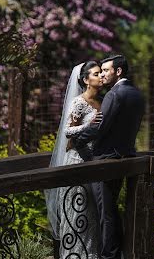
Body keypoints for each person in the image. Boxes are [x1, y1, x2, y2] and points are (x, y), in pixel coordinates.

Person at [72, 54, 145, 259]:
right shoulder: (137, 94)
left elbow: (100, 126)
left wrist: (79, 138)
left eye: (106, 70)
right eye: (101, 71)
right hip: (125, 157)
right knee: (112, 207)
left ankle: (109, 256)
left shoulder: (115, 94)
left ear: (118, 71)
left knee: (106, 213)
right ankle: (121, 252)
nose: (103, 75)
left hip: (105, 159)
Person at [45, 61, 104, 259]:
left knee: (91, 215)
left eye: (101, 73)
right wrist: (89, 126)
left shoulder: (102, 101)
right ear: (86, 80)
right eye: (96, 74)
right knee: (77, 212)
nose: (101, 76)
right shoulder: (78, 102)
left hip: (93, 162)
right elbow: (68, 131)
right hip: (77, 161)